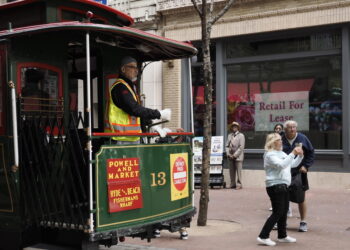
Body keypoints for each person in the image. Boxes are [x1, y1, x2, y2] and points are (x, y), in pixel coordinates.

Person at [105, 56, 171, 144]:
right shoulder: (120, 87)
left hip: (129, 138)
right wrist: (159, 114)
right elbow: (134, 109)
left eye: (136, 67)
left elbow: (137, 112)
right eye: (132, 67)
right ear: (123, 69)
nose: (136, 70)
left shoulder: (130, 86)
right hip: (120, 139)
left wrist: (150, 124)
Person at [257, 133, 303, 246]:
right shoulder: (269, 155)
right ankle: (263, 236)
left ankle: (282, 235)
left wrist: (300, 156)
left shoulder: (281, 153)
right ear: (272, 142)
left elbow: (291, 164)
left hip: (283, 185)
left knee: (284, 211)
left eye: (281, 140)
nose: (281, 141)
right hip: (275, 185)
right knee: (278, 212)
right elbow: (282, 165)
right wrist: (293, 153)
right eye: (278, 140)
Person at [282, 120, 314, 232]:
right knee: (283, 197)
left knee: (301, 197)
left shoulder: (302, 138)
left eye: (294, 127)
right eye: (290, 127)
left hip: (299, 172)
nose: (292, 129)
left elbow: (311, 152)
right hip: (284, 172)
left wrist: (306, 166)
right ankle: (282, 221)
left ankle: (303, 222)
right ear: (285, 129)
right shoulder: (281, 139)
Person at [226, 121, 245, 189]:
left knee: (238, 171)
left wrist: (235, 155)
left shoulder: (241, 135)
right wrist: (228, 154)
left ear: (238, 128)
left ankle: (239, 184)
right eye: (233, 126)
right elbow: (227, 146)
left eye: (235, 126)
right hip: (230, 156)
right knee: (231, 171)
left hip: (238, 156)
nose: (234, 127)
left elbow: (241, 147)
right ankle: (232, 183)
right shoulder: (229, 135)